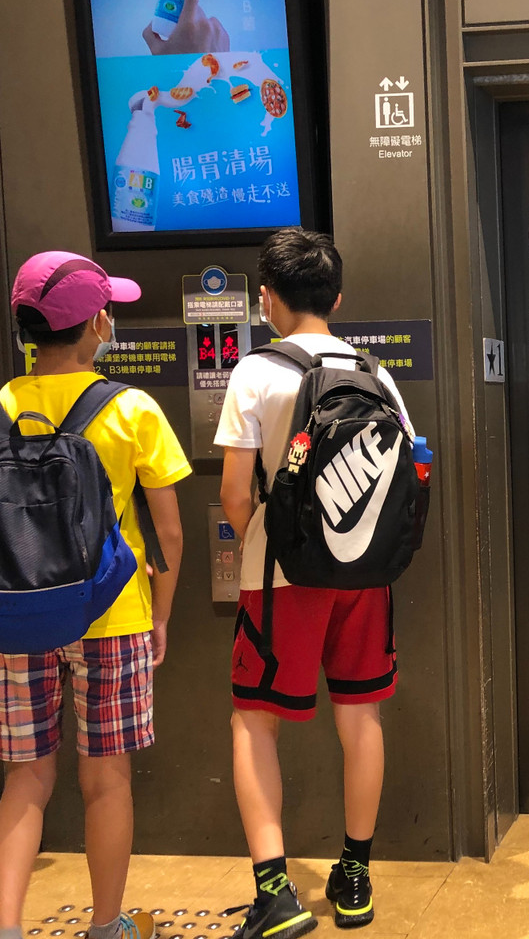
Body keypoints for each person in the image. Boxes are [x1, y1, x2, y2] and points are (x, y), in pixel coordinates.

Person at [216, 229, 415, 938]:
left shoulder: (254, 372)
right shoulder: (375, 374)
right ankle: (354, 878)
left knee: (254, 720)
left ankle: (276, 893)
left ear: (267, 298)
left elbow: (234, 494)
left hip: (281, 579)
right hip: (367, 574)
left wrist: (267, 541)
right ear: (337, 297)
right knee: (361, 718)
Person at [0, 253, 189, 939]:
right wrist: (160, 615)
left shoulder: (3, 403)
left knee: (26, 777)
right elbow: (168, 532)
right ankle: (107, 926)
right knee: (106, 779)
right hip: (113, 614)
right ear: (95, 324)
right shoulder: (132, 408)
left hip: (18, 618)